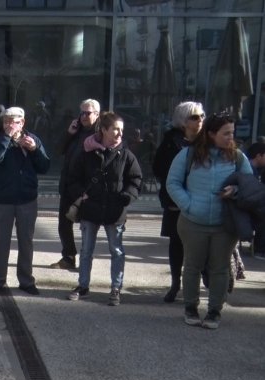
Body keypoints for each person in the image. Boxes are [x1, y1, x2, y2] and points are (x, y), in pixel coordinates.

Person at [166, 114, 253, 329]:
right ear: (211, 134)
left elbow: (250, 186)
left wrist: (236, 190)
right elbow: (173, 183)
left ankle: (214, 311)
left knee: (220, 268)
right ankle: (191, 308)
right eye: (226, 133)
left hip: (224, 224)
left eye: (232, 133)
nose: (230, 137)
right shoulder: (188, 155)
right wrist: (189, 204)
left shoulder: (238, 157)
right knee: (192, 266)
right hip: (193, 221)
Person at [66, 112, 142, 305]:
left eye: (121, 130)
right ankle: (83, 286)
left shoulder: (126, 155)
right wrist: (81, 193)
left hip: (114, 210)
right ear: (104, 130)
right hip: (90, 209)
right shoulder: (87, 152)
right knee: (86, 251)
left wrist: (127, 197)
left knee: (116, 250)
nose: (119, 133)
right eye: (115, 129)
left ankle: (116, 288)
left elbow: (135, 180)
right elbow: (73, 178)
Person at [0, 106, 51, 296]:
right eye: (6, 120)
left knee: (26, 242)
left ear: (22, 122)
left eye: (13, 121)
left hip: (27, 199)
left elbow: (45, 166)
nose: (8, 124)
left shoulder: (33, 139)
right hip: (3, 200)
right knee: (0, 243)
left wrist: (35, 149)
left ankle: (26, 280)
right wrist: (6, 138)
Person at [153, 101, 204, 302]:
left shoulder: (208, 141)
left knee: (202, 244)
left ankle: (200, 285)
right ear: (183, 121)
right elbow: (159, 169)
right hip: (176, 201)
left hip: (201, 201)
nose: (200, 120)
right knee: (177, 244)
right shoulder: (170, 142)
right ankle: (175, 284)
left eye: (201, 116)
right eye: (194, 117)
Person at [50, 98, 100, 270]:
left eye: (88, 113)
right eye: (82, 113)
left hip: (85, 188)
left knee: (86, 226)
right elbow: (59, 150)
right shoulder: (77, 132)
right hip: (68, 185)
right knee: (64, 223)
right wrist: (69, 133)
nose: (84, 116)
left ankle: (86, 262)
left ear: (97, 115)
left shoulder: (99, 134)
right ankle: (68, 257)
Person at [246, 142, 265, 259]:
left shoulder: (255, 170)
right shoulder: (249, 170)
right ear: (259, 156)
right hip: (249, 209)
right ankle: (260, 249)